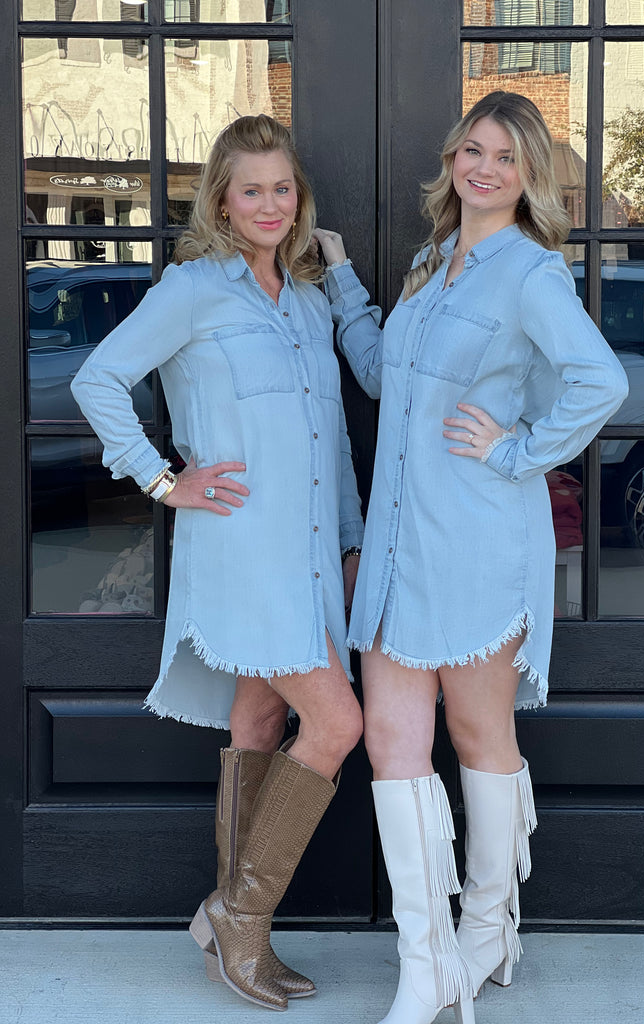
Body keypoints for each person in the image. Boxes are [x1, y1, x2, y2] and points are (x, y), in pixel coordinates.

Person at [315, 90, 629, 1024]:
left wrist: (516, 450)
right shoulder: (430, 264)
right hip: (398, 542)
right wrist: (342, 282)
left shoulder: (531, 273)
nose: (485, 169)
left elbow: (601, 381)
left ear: (530, 176)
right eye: (474, 150)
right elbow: (384, 375)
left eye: (507, 157)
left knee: (478, 735)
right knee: (390, 743)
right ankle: (428, 966)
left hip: (480, 539)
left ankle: (489, 929)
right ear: (453, 158)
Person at [71, 114, 364, 1011]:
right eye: (252, 190)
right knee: (337, 724)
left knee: (260, 718)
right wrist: (164, 481)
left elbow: (329, 439)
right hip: (242, 553)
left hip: (310, 556)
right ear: (222, 202)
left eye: (283, 188)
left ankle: (233, 928)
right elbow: (97, 379)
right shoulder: (193, 288)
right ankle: (241, 916)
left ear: (298, 197)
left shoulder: (309, 299)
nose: (271, 205)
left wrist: (350, 540)